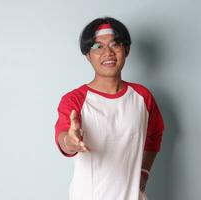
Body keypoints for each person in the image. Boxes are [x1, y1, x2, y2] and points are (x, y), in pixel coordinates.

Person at [54, 17, 165, 200]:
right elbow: (64, 138)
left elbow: (155, 135)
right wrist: (71, 142)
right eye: (98, 46)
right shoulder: (75, 99)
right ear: (88, 55)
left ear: (126, 50)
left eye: (115, 44)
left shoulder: (143, 97)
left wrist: (144, 172)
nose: (108, 52)